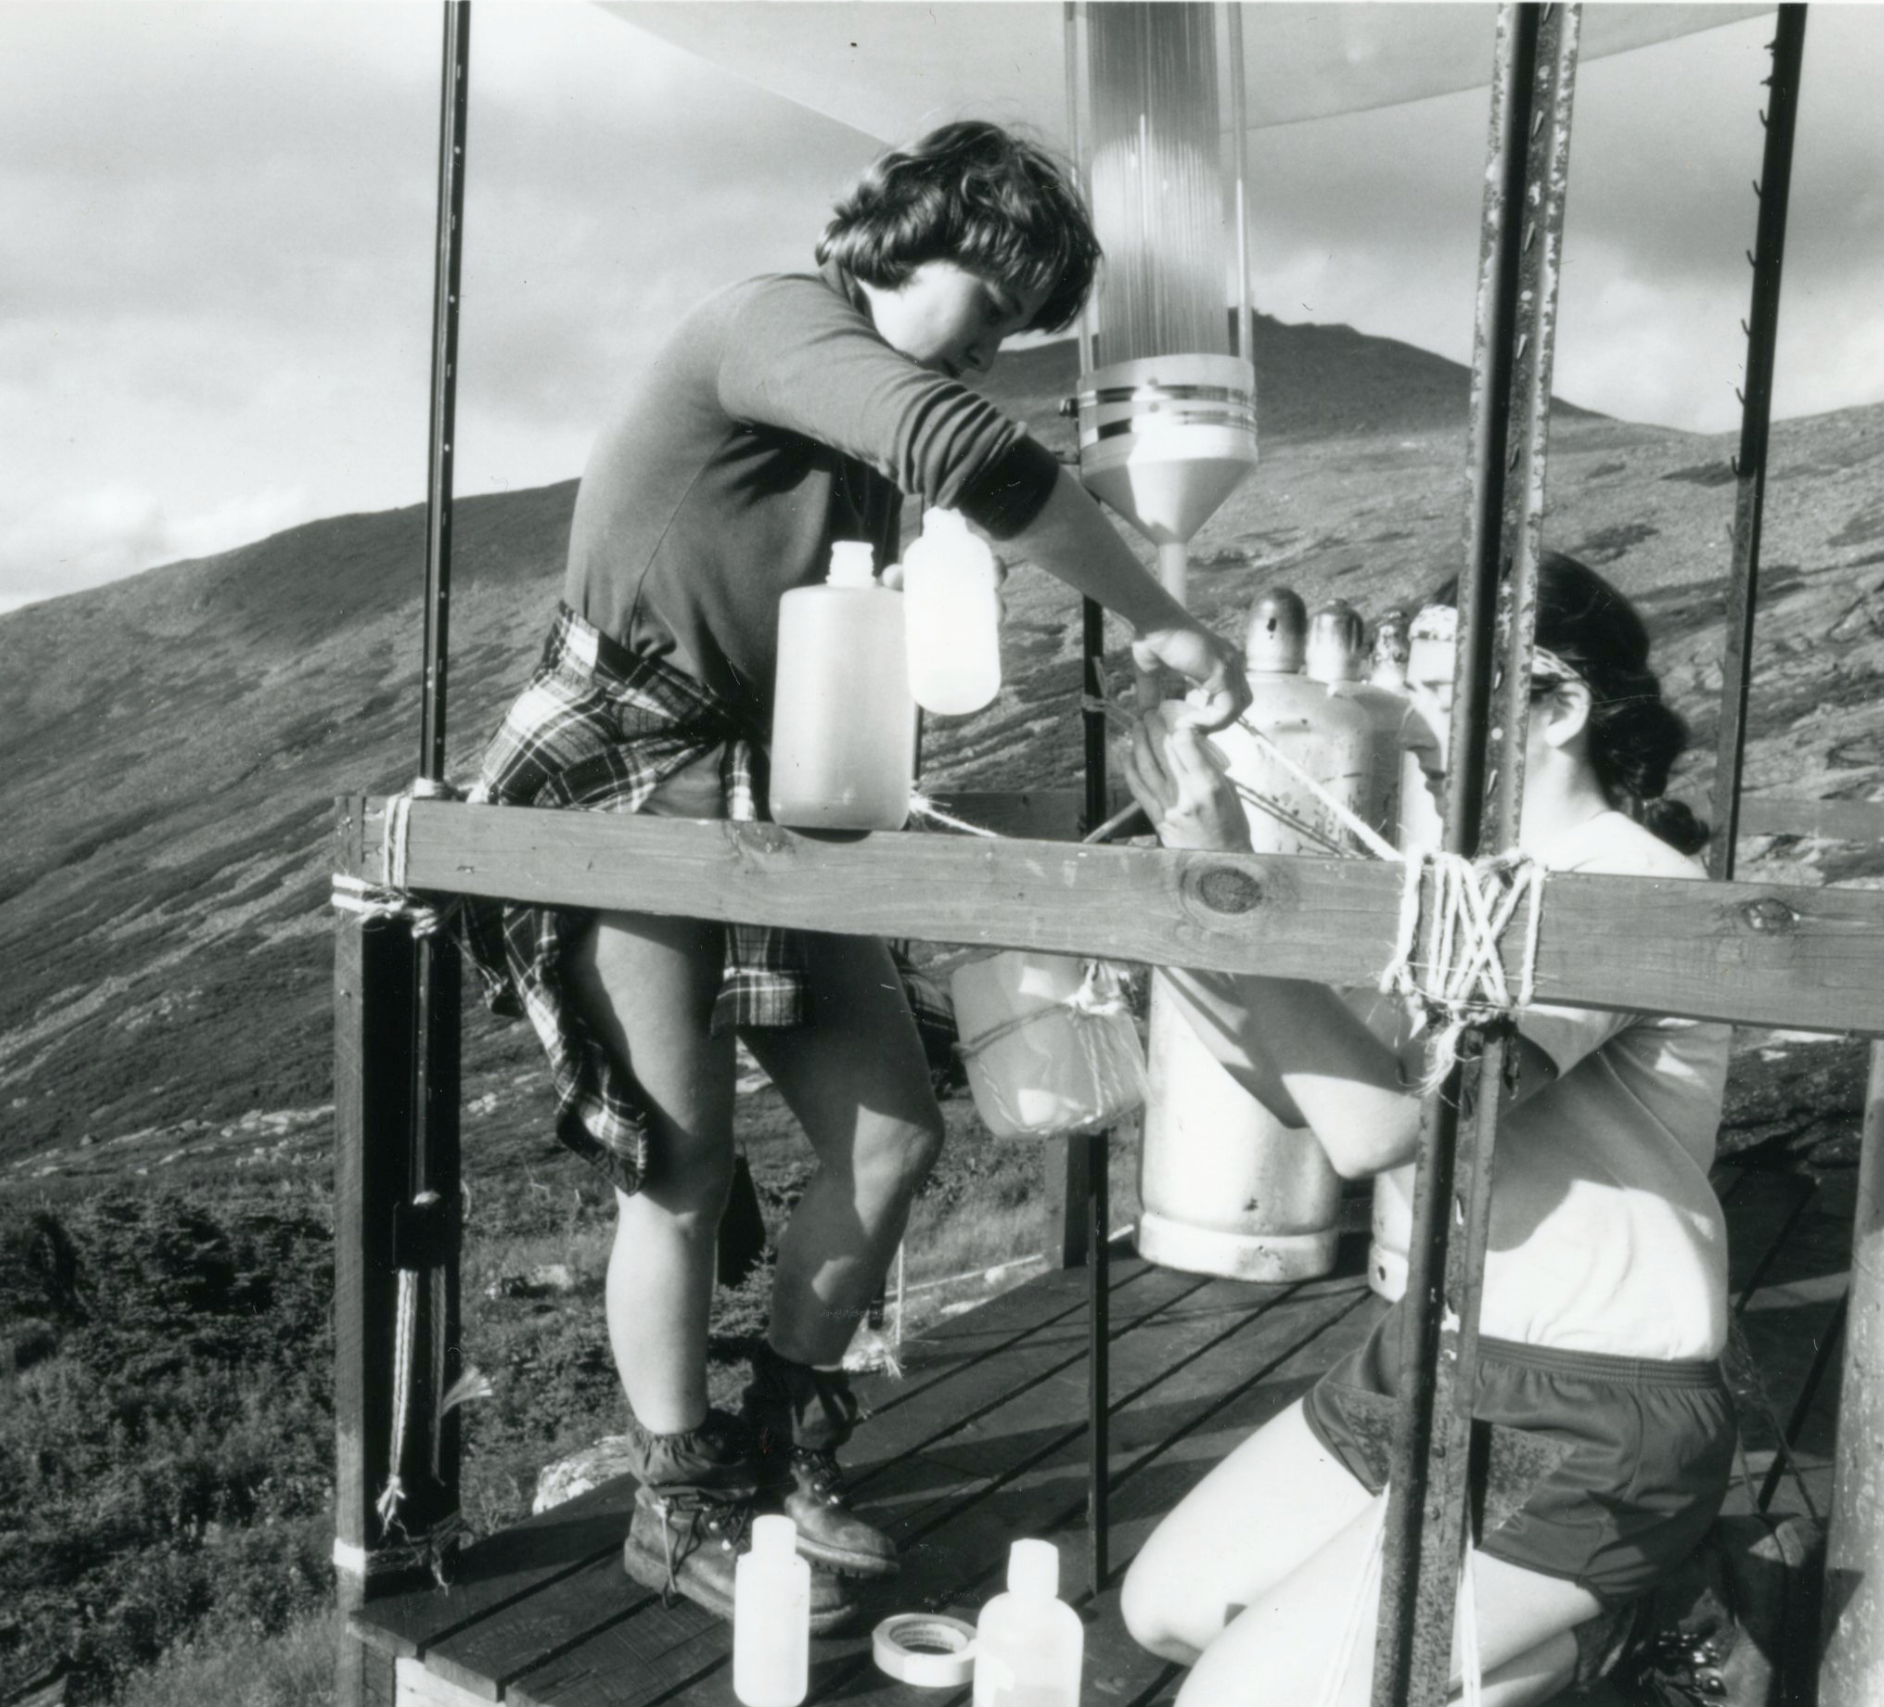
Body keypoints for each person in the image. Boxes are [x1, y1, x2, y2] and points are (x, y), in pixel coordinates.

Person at [458, 120, 1249, 1629]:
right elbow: (974, 456)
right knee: (678, 1166)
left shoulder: (875, 419)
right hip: (630, 767)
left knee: (891, 1131)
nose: (1001, 345)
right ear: (915, 237)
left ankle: (773, 1443)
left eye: (1024, 325)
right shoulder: (777, 327)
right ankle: (676, 1498)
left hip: (768, 791)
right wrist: (1160, 618)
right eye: (997, 302)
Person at [1114, 552, 1734, 1704]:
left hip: (1594, 1411)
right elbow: (1297, 1086)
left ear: (1560, 708)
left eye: (1445, 679)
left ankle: (1618, 1623)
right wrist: (1195, 896)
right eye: (1415, 671)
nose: (1406, 711)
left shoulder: (1614, 888)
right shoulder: (1473, 882)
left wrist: (1227, 876)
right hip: (1440, 1354)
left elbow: (1373, 1132)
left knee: (1235, 1700)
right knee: (1166, 1611)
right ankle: (1567, 1621)